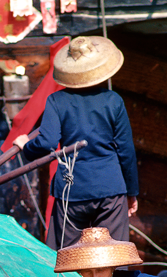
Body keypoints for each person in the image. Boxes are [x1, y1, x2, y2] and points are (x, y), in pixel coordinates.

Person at [12, 36, 138, 250]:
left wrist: (26, 147)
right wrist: (131, 192)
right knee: (114, 257)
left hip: (72, 191)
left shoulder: (56, 100)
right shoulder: (113, 100)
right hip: (110, 188)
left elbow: (46, 142)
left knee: (68, 259)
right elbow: (126, 151)